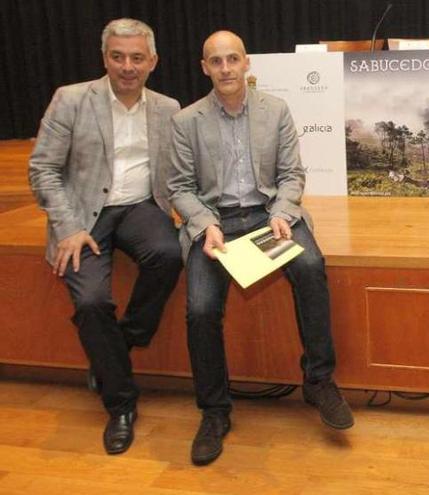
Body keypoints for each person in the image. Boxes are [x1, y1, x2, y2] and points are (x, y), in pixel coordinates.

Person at [168, 30, 353, 466]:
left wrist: (283, 212)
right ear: (204, 67)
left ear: (247, 63)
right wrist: (204, 225)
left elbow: (292, 174)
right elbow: (178, 188)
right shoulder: (186, 121)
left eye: (233, 59)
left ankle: (319, 381)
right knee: (200, 308)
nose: (226, 68)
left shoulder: (277, 111)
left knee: (311, 267)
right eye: (217, 61)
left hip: (269, 214)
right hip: (215, 224)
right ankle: (214, 413)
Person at [28, 18, 182, 455]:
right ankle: (121, 404)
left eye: (137, 57)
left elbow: (179, 174)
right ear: (105, 58)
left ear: (152, 61)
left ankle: (117, 345)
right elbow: (42, 170)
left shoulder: (168, 108)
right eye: (118, 56)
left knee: (170, 254)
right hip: (81, 216)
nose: (127, 66)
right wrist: (69, 228)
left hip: (139, 208)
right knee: (93, 301)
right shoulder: (72, 100)